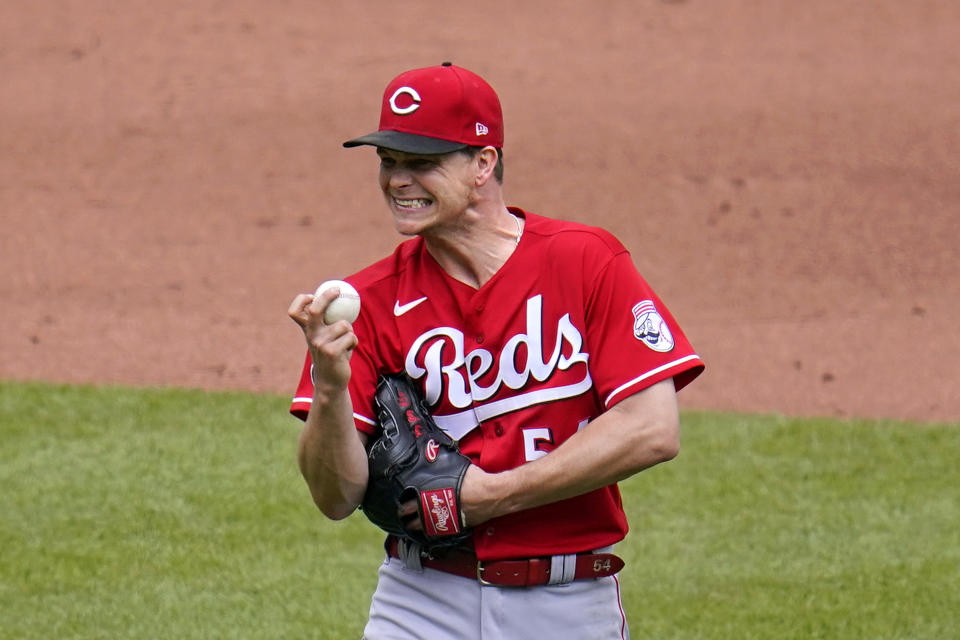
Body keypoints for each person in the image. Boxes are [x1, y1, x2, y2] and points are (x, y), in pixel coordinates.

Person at [287, 62, 704, 640]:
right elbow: (335, 498)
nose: (398, 181)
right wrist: (331, 389)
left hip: (568, 604)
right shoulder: (368, 303)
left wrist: (490, 496)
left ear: (483, 163)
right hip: (422, 600)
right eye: (389, 161)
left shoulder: (584, 262)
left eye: (422, 162)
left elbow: (652, 428)